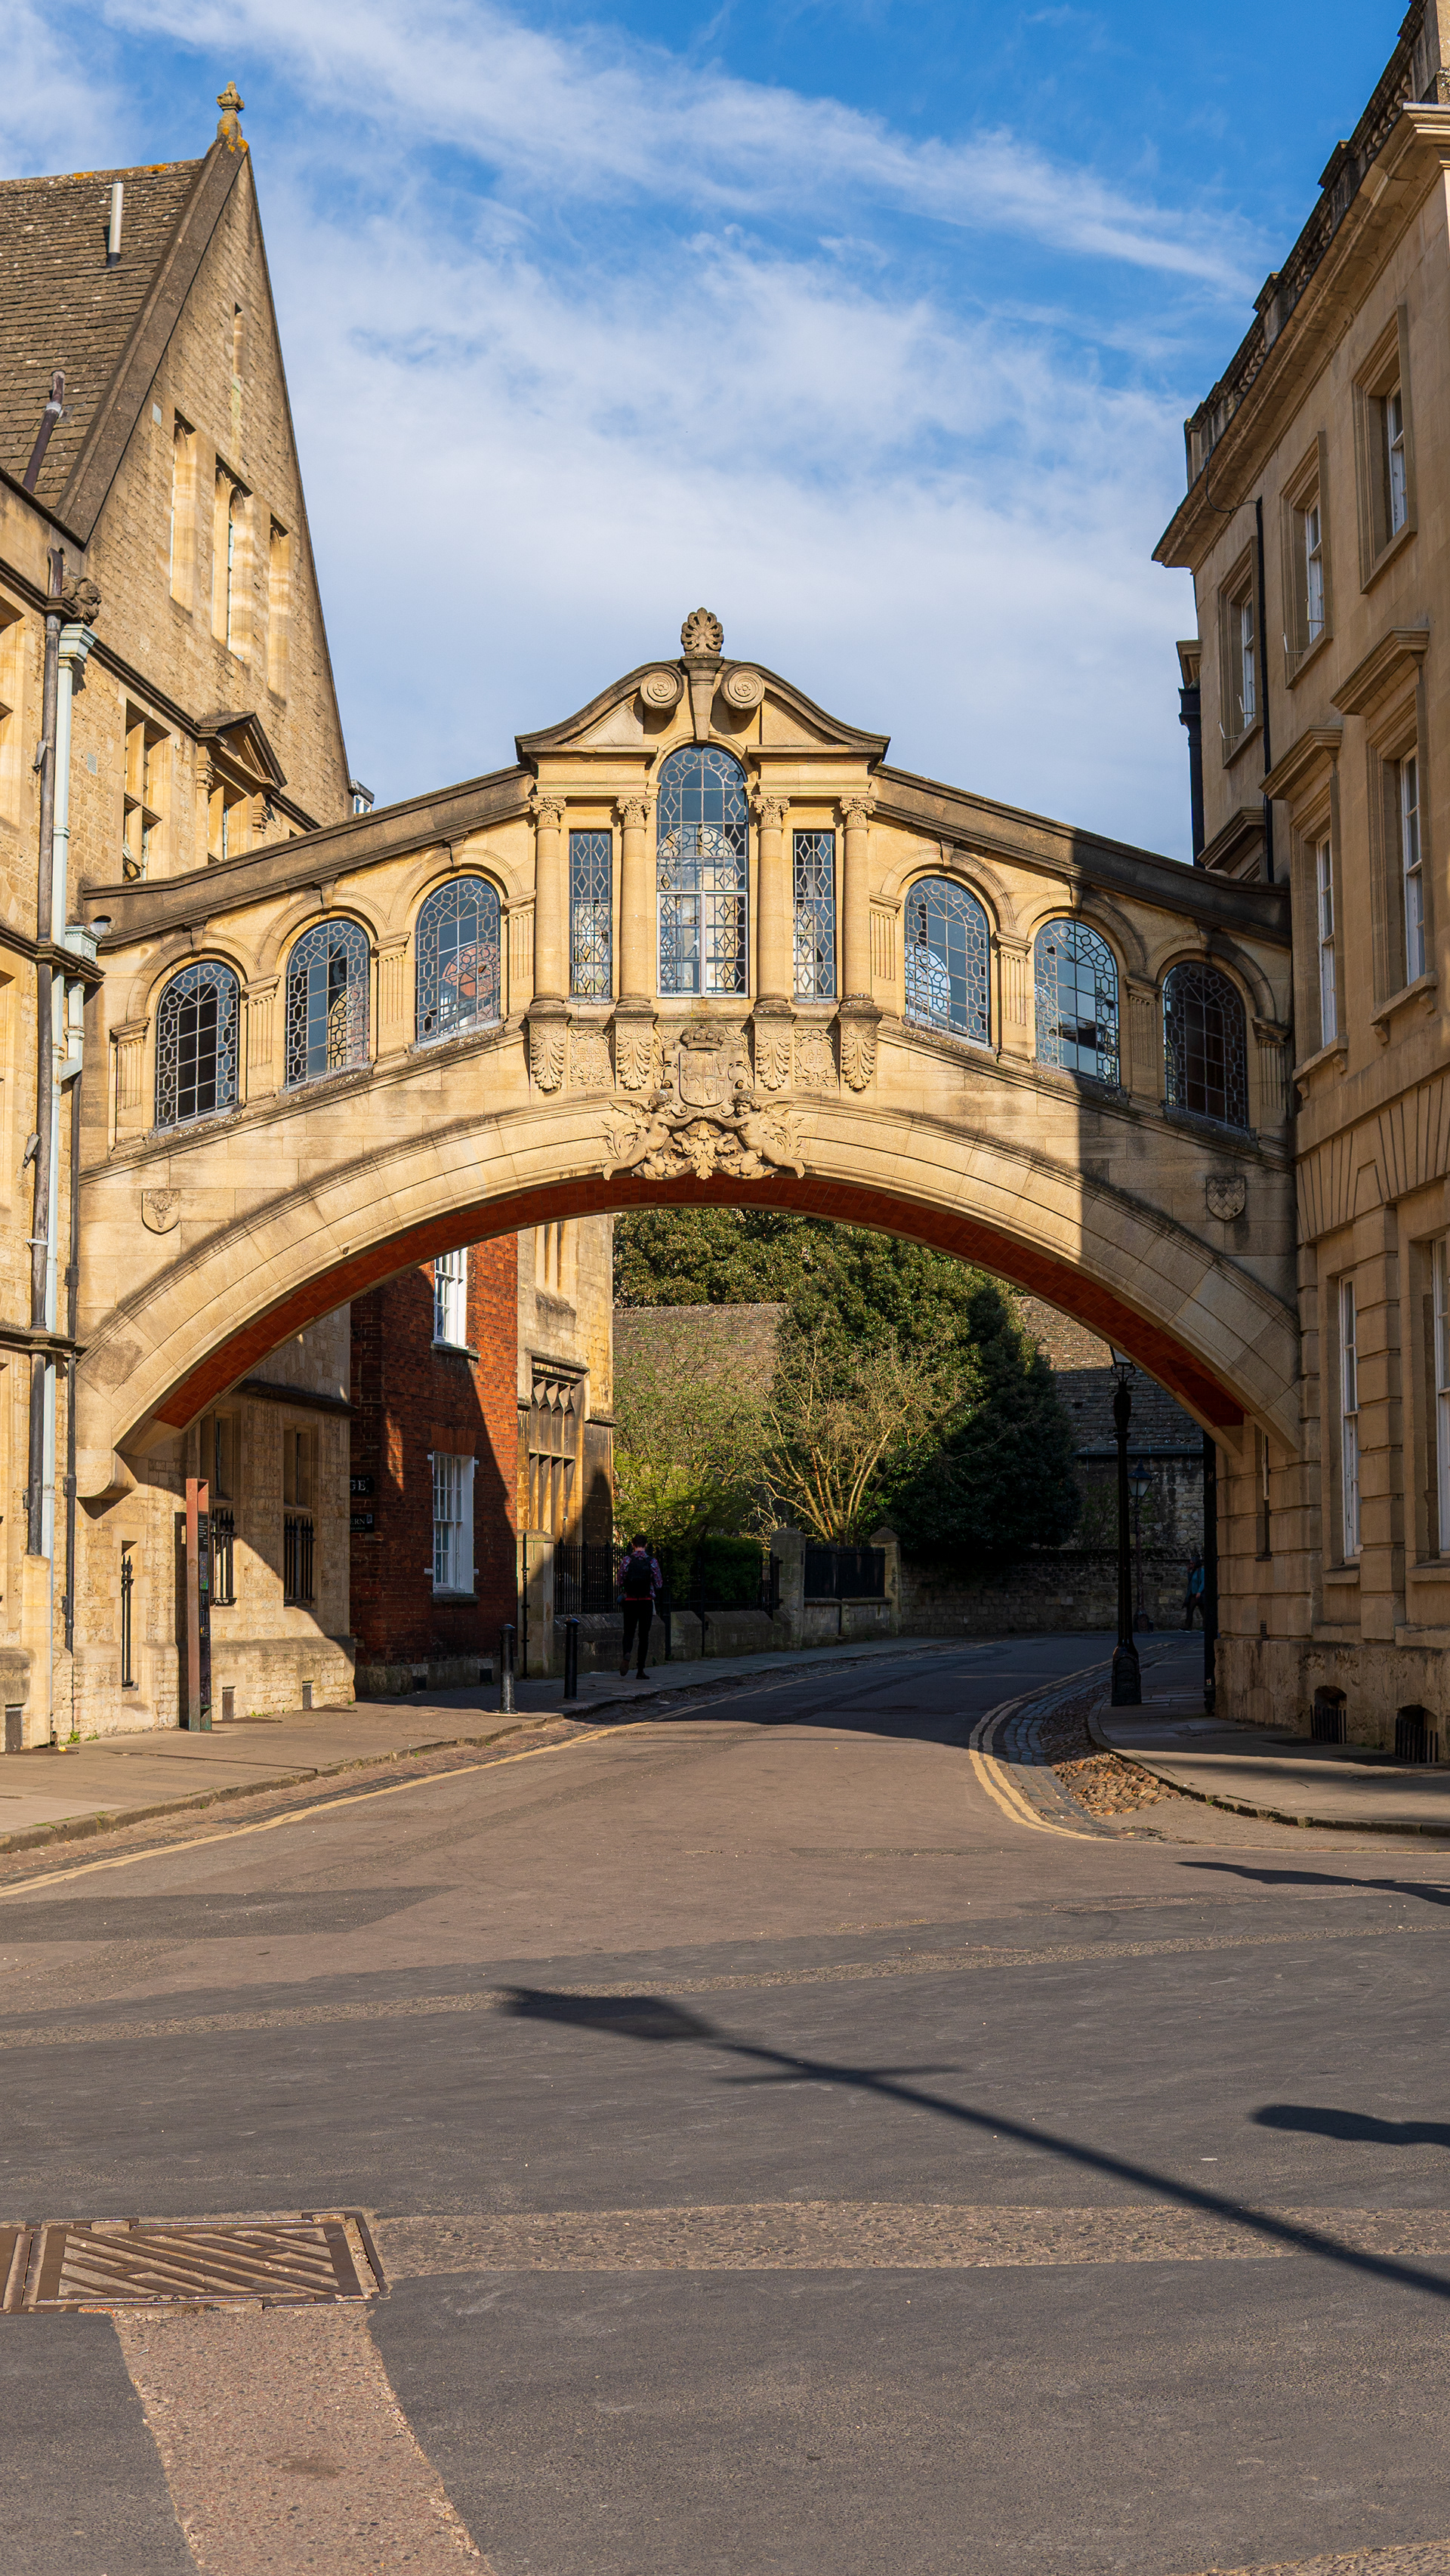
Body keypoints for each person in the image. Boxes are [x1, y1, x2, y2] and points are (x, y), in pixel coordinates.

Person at [617, 1534, 663, 1681]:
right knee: (644, 1636)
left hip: (630, 1600)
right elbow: (659, 1583)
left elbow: (619, 1581)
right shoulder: (652, 1562)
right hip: (646, 1602)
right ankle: (640, 1670)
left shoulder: (627, 1560)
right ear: (646, 1544)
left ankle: (627, 1653)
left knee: (628, 1632)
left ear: (633, 1544)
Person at [1184, 1552, 1205, 1630]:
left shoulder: (1202, 1571)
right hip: (1193, 1594)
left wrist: (1199, 1591)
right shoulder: (1193, 1572)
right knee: (1189, 1610)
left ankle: (1205, 1627)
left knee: (1203, 1611)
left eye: (1192, 1563)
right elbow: (1190, 1581)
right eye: (1190, 1564)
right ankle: (1187, 1627)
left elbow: (1203, 1582)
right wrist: (1188, 1572)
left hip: (1199, 1594)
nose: (1191, 1565)